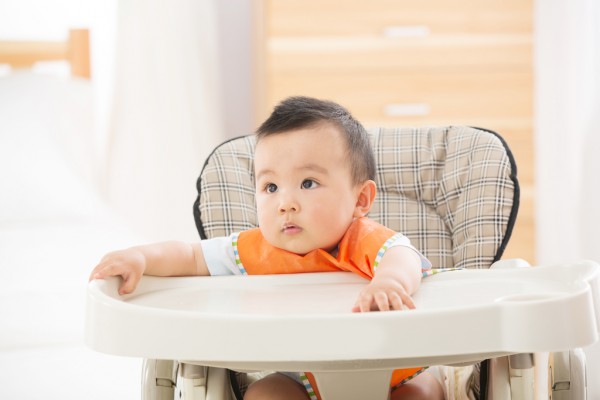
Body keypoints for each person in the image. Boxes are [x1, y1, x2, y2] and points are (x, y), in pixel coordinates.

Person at [89, 96, 445, 400]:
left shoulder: (362, 239)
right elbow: (191, 255)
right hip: (300, 377)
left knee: (423, 392)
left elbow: (403, 256)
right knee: (264, 393)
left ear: (361, 199)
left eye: (308, 183)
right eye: (270, 187)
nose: (285, 203)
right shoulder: (252, 250)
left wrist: (390, 284)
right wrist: (142, 257)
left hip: (392, 369)